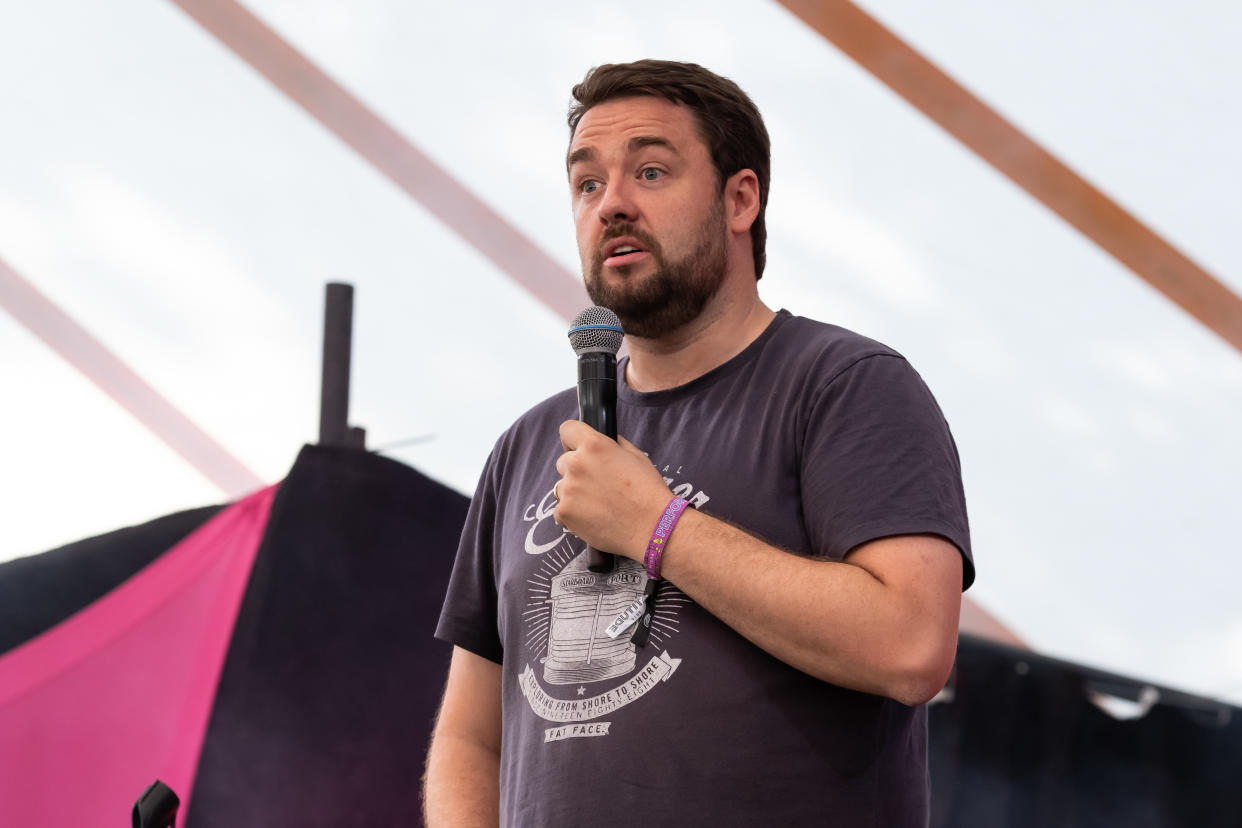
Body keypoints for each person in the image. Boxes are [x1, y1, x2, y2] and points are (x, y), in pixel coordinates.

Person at [424, 59, 973, 827]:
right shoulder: (526, 446)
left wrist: (656, 526)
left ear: (740, 197)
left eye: (650, 171)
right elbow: (471, 735)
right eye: (587, 184)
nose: (611, 203)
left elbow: (911, 645)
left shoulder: (845, 386)